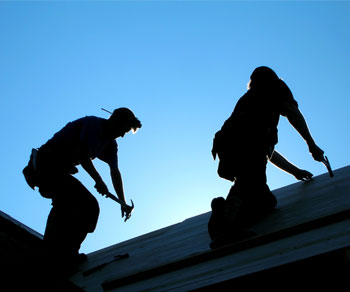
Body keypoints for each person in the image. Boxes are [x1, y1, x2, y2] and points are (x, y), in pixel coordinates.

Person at [209, 66, 324, 246]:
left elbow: (267, 153)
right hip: (246, 144)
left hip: (228, 146)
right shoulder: (276, 87)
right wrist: (311, 144)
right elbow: (292, 113)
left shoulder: (248, 99)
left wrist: (295, 171)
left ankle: (224, 214)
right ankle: (225, 227)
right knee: (248, 182)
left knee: (266, 201)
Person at [23, 107, 141, 272]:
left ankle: (67, 251)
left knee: (86, 207)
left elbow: (115, 171)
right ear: (115, 121)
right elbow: (82, 155)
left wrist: (122, 201)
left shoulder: (110, 144)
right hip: (45, 164)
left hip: (59, 170)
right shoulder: (93, 125)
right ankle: (53, 251)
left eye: (126, 132)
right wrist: (98, 181)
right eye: (123, 130)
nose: (122, 135)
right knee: (81, 202)